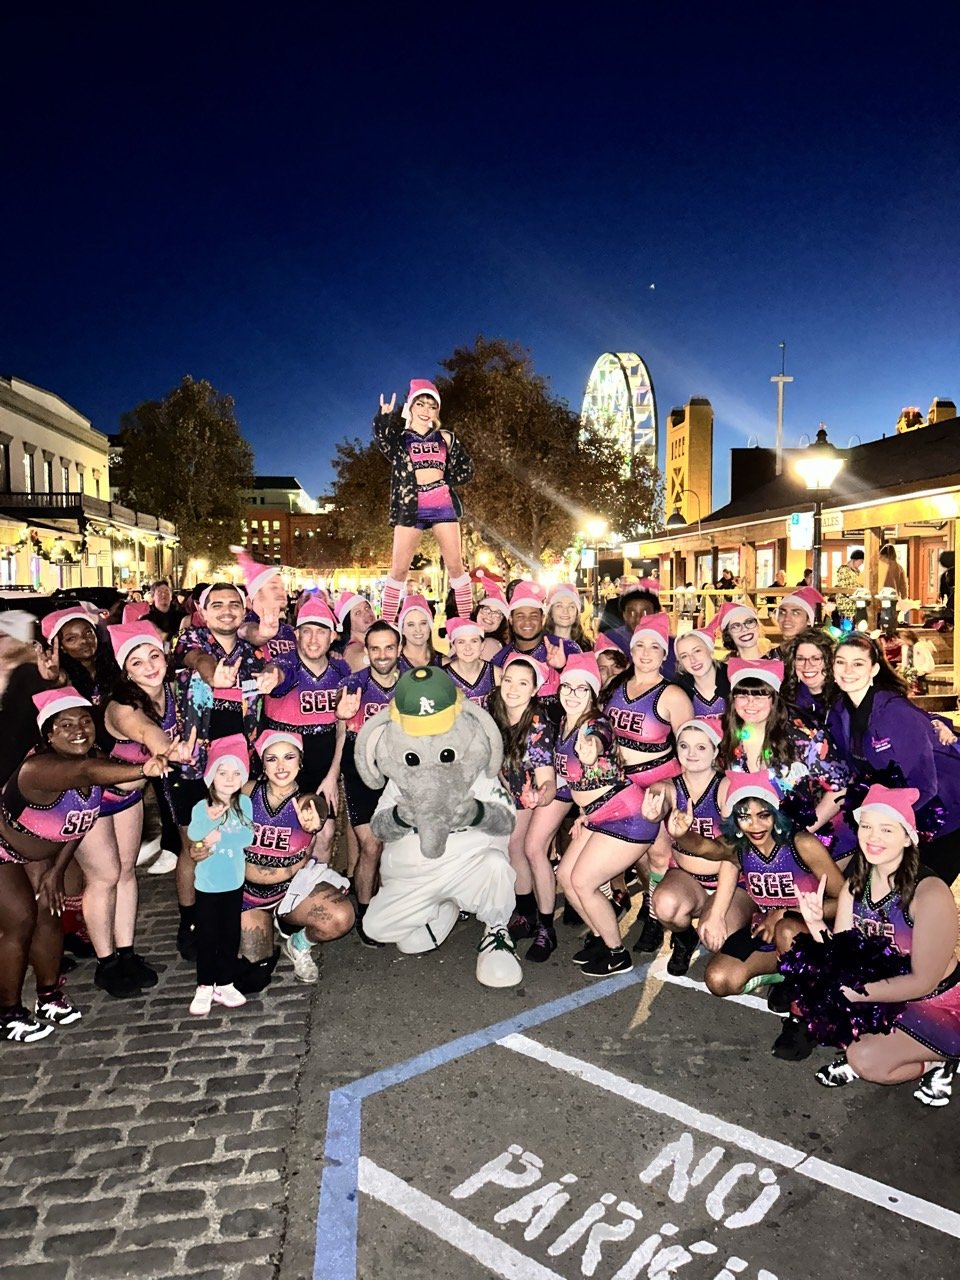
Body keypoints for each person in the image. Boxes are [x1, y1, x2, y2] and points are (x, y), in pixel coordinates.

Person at [0, 689, 169, 1041]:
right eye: (65, 724)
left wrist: (57, 870)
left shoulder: (91, 758)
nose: (78, 729)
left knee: (49, 918)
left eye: (84, 721)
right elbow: (85, 772)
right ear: (48, 734)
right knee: (20, 923)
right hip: (2, 851)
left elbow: (79, 823)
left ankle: (48, 996)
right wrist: (142, 768)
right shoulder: (41, 768)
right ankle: (8, 1012)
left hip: (39, 854)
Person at [794, 785, 960, 1104]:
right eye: (867, 826)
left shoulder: (929, 893)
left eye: (887, 829)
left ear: (908, 837)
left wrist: (854, 993)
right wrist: (816, 925)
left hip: (939, 1003)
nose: (874, 836)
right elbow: (842, 954)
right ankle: (885, 1042)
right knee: (814, 993)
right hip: (888, 991)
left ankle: (939, 1060)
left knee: (868, 1060)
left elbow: (923, 980)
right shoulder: (857, 886)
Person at [697, 772, 845, 1057]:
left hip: (813, 933)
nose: (755, 825)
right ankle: (784, 977)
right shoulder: (740, 846)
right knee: (718, 979)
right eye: (745, 816)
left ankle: (802, 1019)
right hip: (767, 929)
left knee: (787, 930)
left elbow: (844, 900)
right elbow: (706, 848)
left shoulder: (801, 843)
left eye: (764, 815)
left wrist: (785, 911)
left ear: (776, 814)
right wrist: (680, 833)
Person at [171, 582, 282, 960]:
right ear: (203, 610)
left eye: (234, 604)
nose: (227, 610)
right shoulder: (191, 638)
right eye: (216, 604)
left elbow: (268, 664)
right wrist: (211, 671)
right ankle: (191, 920)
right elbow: (195, 659)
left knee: (231, 835)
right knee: (194, 845)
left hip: (237, 762)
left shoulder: (251, 650)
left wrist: (271, 673)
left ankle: (228, 909)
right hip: (193, 761)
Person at [99, 622, 195, 996]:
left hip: (130, 796)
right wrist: (170, 748)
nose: (150, 666)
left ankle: (126, 953)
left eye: (154, 656)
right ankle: (107, 964)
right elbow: (145, 733)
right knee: (103, 879)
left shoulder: (171, 692)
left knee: (125, 874)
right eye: (137, 663)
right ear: (127, 671)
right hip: (95, 796)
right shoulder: (123, 706)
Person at [554, 670, 666, 979]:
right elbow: (588, 782)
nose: (573, 694)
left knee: (584, 882)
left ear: (593, 694)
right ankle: (603, 939)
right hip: (597, 814)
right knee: (565, 875)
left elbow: (599, 739)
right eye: (567, 686)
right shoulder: (565, 722)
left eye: (582, 688)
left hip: (627, 816)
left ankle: (617, 954)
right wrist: (583, 813)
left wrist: (591, 747)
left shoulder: (593, 723)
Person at [828, 633, 960, 885]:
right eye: (840, 662)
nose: (847, 670)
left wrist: (888, 826)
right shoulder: (839, 712)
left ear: (874, 669)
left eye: (858, 663)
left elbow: (926, 785)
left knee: (917, 894)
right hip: (897, 814)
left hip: (945, 812)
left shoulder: (895, 713)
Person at [602, 612, 693, 955]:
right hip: (620, 784)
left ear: (664, 654)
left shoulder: (672, 695)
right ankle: (646, 902)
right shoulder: (617, 687)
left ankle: (657, 920)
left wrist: (682, 794)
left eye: (654, 647)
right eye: (639, 645)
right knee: (633, 854)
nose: (645, 652)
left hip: (658, 782)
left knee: (657, 854)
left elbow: (691, 751)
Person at [237, 729, 353, 991]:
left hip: (290, 890)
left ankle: (298, 944)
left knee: (340, 918)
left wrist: (316, 818)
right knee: (253, 978)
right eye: (272, 759)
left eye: (289, 757)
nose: (280, 766)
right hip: (249, 896)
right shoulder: (245, 793)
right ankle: (258, 928)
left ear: (300, 762)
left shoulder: (306, 801)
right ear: (262, 764)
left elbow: (316, 809)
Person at [374, 380, 474, 625]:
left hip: (442, 504)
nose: (426, 410)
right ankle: (386, 626)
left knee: (456, 567)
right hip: (411, 506)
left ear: (436, 411)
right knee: (398, 569)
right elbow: (382, 441)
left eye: (431, 405)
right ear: (410, 407)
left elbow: (467, 469)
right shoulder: (400, 440)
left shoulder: (446, 438)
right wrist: (384, 418)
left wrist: (445, 482)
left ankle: (465, 625)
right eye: (420, 403)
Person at [487, 655, 562, 962]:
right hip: (515, 789)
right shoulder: (494, 711)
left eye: (522, 683)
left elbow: (549, 783)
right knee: (513, 846)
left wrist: (538, 796)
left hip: (549, 792)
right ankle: (526, 914)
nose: (513, 688)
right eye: (508, 680)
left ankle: (547, 927)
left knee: (532, 849)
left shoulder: (538, 723)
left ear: (534, 690)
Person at [262, 596, 346, 855]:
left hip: (323, 764)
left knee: (325, 834)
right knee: (290, 836)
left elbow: (343, 729)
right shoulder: (287, 663)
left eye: (320, 632)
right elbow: (279, 673)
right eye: (306, 631)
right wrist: (271, 677)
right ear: (296, 634)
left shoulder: (341, 670)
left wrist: (333, 776)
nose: (312, 639)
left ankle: (314, 890)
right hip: (284, 762)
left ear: (332, 636)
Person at [336, 621, 401, 945]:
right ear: (367, 651)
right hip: (361, 772)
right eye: (375, 648)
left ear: (398, 649)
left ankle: (394, 907)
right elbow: (340, 732)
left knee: (398, 846)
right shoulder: (353, 684)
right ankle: (364, 913)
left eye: (389, 647)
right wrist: (340, 715)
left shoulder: (413, 682)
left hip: (400, 774)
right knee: (371, 845)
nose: (382, 655)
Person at [646, 717, 726, 976]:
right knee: (665, 907)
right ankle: (684, 938)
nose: (691, 754)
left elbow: (733, 856)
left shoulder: (726, 788)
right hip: (687, 878)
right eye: (684, 746)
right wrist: (653, 810)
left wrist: (718, 914)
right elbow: (660, 793)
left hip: (729, 882)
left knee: (720, 939)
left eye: (701, 747)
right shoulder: (672, 787)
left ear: (715, 751)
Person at [186, 734, 253, 1015]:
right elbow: (193, 835)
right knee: (207, 936)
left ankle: (224, 982)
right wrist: (206, 831)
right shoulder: (202, 808)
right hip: (208, 886)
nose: (229, 778)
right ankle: (204, 984)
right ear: (212, 776)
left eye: (236, 773)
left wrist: (218, 838)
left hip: (233, 882)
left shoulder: (244, 805)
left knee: (230, 934)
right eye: (222, 772)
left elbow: (247, 836)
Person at [491, 580, 581, 705]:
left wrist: (562, 668)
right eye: (520, 616)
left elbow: (586, 691)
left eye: (533, 616)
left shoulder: (566, 648)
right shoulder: (500, 659)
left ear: (542, 618)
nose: (527, 622)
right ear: (511, 620)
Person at [673, 628, 729, 717]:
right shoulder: (678, 693)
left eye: (697, 651)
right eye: (684, 656)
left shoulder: (734, 682)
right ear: (681, 663)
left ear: (710, 651)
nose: (692, 660)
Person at [444, 617, 496, 707]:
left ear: (482, 645)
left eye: (474, 641)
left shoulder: (496, 674)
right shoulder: (443, 676)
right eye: (461, 642)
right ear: (453, 646)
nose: (468, 648)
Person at [766, 586, 826, 660]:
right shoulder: (770, 658)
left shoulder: (819, 656)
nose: (787, 618)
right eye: (782, 612)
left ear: (809, 620)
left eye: (795, 613)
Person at [333, 590, 377, 672]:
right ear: (348, 623)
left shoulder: (370, 642)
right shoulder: (352, 650)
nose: (367, 613)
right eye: (358, 613)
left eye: (367, 607)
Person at [398, 595, 441, 672]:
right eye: (411, 624)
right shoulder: (392, 663)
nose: (418, 630)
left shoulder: (443, 664)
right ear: (402, 630)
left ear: (430, 627)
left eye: (423, 623)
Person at [545, 584, 592, 652]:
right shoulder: (542, 646)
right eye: (559, 606)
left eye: (571, 606)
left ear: (576, 612)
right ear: (550, 611)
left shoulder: (587, 646)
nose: (565, 612)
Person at [143, 579, 186, 644]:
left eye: (166, 591)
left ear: (171, 596)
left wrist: (165, 636)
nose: (163, 594)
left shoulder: (183, 618)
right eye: (159, 592)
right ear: (153, 596)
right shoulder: (146, 620)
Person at [833, 548, 864, 625]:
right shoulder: (843, 570)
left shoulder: (857, 571)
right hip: (845, 603)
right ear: (855, 560)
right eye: (860, 562)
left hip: (855, 603)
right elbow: (844, 586)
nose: (861, 564)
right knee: (846, 625)